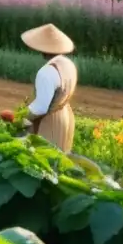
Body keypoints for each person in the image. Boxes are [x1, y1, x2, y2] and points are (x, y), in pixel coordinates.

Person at [21, 23, 78, 153]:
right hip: (65, 118)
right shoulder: (68, 65)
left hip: (49, 121)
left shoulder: (46, 72)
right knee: (61, 157)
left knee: (43, 159)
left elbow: (41, 107)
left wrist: (22, 118)